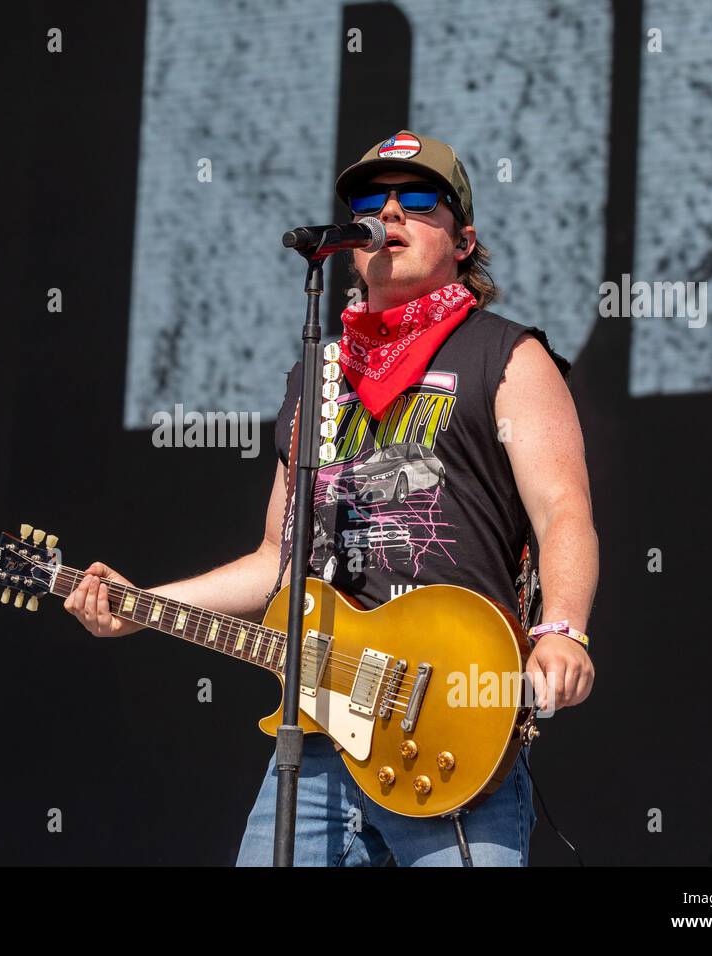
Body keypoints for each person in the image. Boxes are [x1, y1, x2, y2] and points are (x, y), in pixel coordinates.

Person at [63, 130, 598, 866]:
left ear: (464, 238)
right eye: (370, 201)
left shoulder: (507, 356)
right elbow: (275, 563)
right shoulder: (316, 375)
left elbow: (564, 509)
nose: (390, 213)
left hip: (446, 724)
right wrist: (143, 602)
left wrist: (564, 629)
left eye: (418, 199)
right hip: (316, 738)